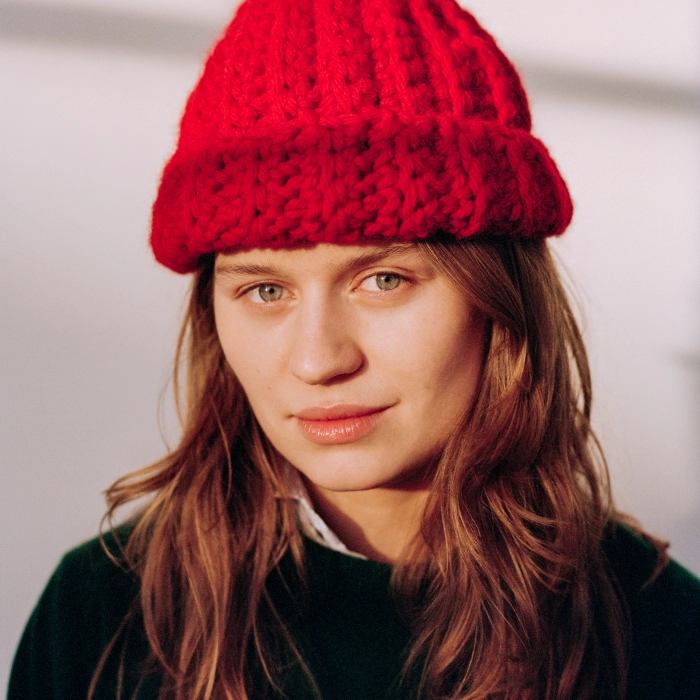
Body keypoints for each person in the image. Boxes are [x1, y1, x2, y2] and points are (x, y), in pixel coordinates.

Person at [8, 0, 700, 698]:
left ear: (500, 298)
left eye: (383, 279)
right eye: (265, 291)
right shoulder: (101, 615)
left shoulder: (660, 629)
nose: (318, 360)